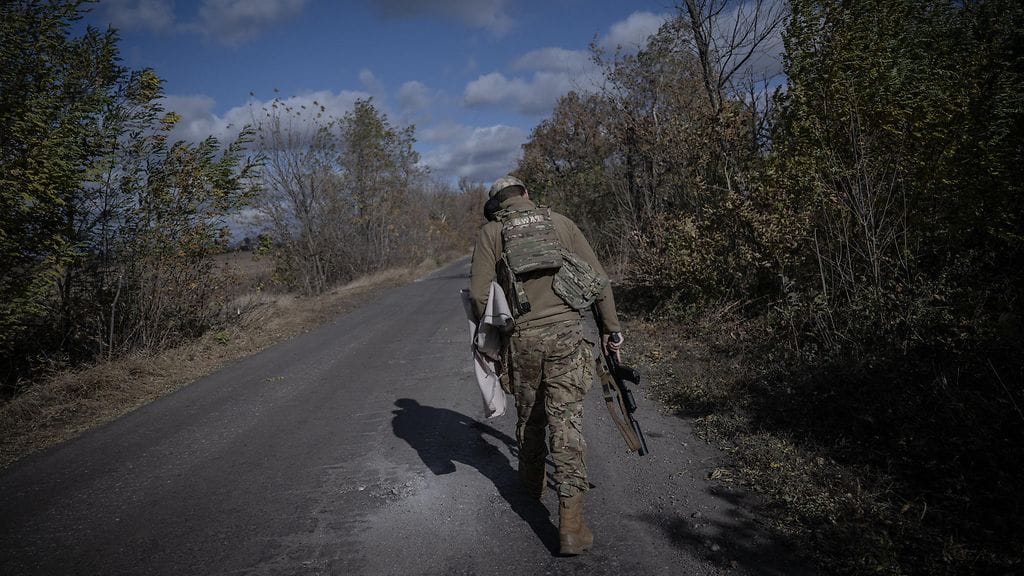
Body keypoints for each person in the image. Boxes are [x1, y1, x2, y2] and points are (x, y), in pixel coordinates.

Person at [468, 175, 623, 556]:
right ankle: (570, 527)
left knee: (530, 417)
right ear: (524, 195)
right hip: (568, 336)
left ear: (497, 205)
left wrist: (497, 334)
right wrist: (610, 330)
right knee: (566, 424)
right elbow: (598, 280)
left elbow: (477, 295)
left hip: (523, 340)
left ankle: (532, 485)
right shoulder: (561, 223)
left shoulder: (492, 233)